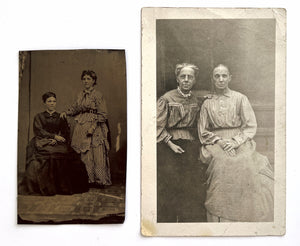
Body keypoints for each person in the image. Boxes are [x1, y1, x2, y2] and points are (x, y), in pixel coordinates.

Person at [198, 64, 274, 222]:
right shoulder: (207, 103)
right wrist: (220, 142)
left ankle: (243, 213)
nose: (220, 79)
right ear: (212, 79)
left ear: (230, 78)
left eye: (224, 76)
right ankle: (221, 214)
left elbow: (250, 126)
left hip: (238, 139)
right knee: (222, 161)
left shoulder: (240, 98)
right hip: (215, 141)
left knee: (244, 160)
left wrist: (234, 142)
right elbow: (203, 131)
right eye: (217, 76)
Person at [157, 63, 207, 222]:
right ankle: (168, 222)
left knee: (191, 184)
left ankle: (188, 223)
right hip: (169, 145)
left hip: (190, 144)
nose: (186, 80)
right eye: (183, 77)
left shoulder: (196, 100)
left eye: (190, 77)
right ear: (177, 79)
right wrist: (171, 144)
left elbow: (198, 124)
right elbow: (156, 126)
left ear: (194, 80)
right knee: (170, 183)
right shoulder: (167, 98)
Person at [19, 92, 89, 196]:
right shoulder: (39, 116)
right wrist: (53, 137)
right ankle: (48, 187)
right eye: (49, 101)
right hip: (42, 141)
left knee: (67, 155)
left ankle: (62, 187)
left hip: (58, 141)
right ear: (44, 103)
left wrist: (57, 139)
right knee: (47, 155)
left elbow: (65, 132)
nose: (52, 103)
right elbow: (39, 131)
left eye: (54, 101)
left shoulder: (61, 116)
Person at [61, 70, 112, 188]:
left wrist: (93, 127)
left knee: (97, 152)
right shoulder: (80, 95)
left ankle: (100, 180)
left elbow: (103, 114)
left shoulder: (98, 95)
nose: (86, 81)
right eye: (84, 79)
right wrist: (66, 112)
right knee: (85, 153)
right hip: (82, 126)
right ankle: (89, 179)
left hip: (96, 126)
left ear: (94, 81)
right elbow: (75, 109)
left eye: (89, 79)